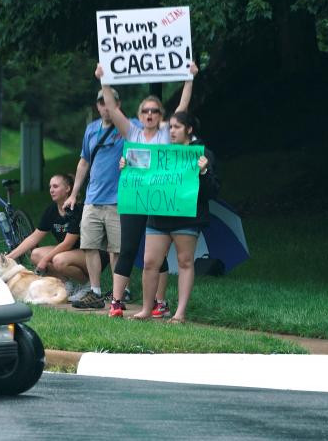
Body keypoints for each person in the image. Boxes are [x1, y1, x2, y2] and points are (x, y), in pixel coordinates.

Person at [96, 62, 199, 318]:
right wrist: (104, 81)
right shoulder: (131, 132)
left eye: (154, 111)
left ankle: (159, 302)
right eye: (145, 111)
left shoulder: (167, 133)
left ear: (161, 115)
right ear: (139, 115)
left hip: (160, 202)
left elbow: (182, 109)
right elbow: (111, 108)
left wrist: (189, 79)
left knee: (157, 254)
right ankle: (117, 301)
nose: (150, 114)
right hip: (135, 198)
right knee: (127, 247)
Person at [132, 111, 219, 322]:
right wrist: (128, 167)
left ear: (189, 129)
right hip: (159, 216)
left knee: (185, 261)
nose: (171, 131)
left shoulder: (203, 154)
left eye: (177, 127)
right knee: (150, 261)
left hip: (187, 218)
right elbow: (141, 176)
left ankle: (180, 313)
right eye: (169, 127)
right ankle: (146, 309)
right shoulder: (160, 151)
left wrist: (205, 172)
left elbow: (213, 192)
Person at [63, 84, 126, 309]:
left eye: (109, 102)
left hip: (118, 200)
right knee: (89, 245)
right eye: (101, 102)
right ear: (98, 106)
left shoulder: (128, 128)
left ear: (117, 105)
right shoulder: (91, 130)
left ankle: (121, 291)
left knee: (116, 249)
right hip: (92, 199)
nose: (105, 106)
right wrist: (73, 193)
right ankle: (96, 290)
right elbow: (84, 161)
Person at [6, 174, 108, 300]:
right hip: (70, 253)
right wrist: (9, 257)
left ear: (68, 189)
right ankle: (66, 285)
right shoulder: (51, 210)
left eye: (55, 186)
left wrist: (45, 260)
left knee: (58, 260)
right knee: (36, 254)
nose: (51, 190)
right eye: (50, 187)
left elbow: (68, 243)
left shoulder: (76, 209)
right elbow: (34, 238)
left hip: (92, 255)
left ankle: (88, 287)